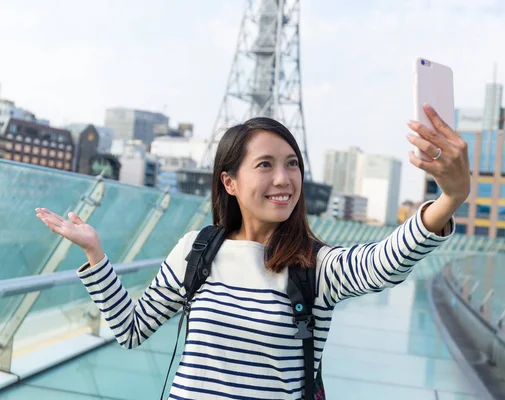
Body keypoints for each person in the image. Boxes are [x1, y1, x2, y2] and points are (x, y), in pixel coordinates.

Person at [35, 104, 470, 399]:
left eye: (292, 164)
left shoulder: (315, 265)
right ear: (230, 182)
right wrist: (95, 254)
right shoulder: (197, 250)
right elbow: (131, 329)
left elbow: (382, 264)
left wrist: (448, 200)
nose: (284, 178)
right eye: (265, 165)